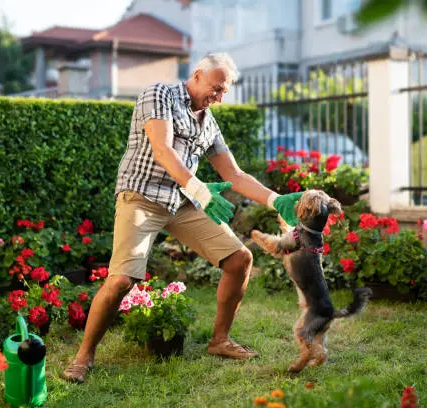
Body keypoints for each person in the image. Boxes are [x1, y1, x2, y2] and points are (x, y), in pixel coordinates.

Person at [62, 52, 303, 383]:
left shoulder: (208, 120)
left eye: (223, 93)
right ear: (198, 75)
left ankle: (220, 340)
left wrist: (276, 200)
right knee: (121, 280)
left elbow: (233, 172)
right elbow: (162, 150)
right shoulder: (159, 93)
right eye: (216, 89)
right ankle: (84, 356)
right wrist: (203, 192)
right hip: (142, 196)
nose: (218, 98)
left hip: (182, 201)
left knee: (238, 259)